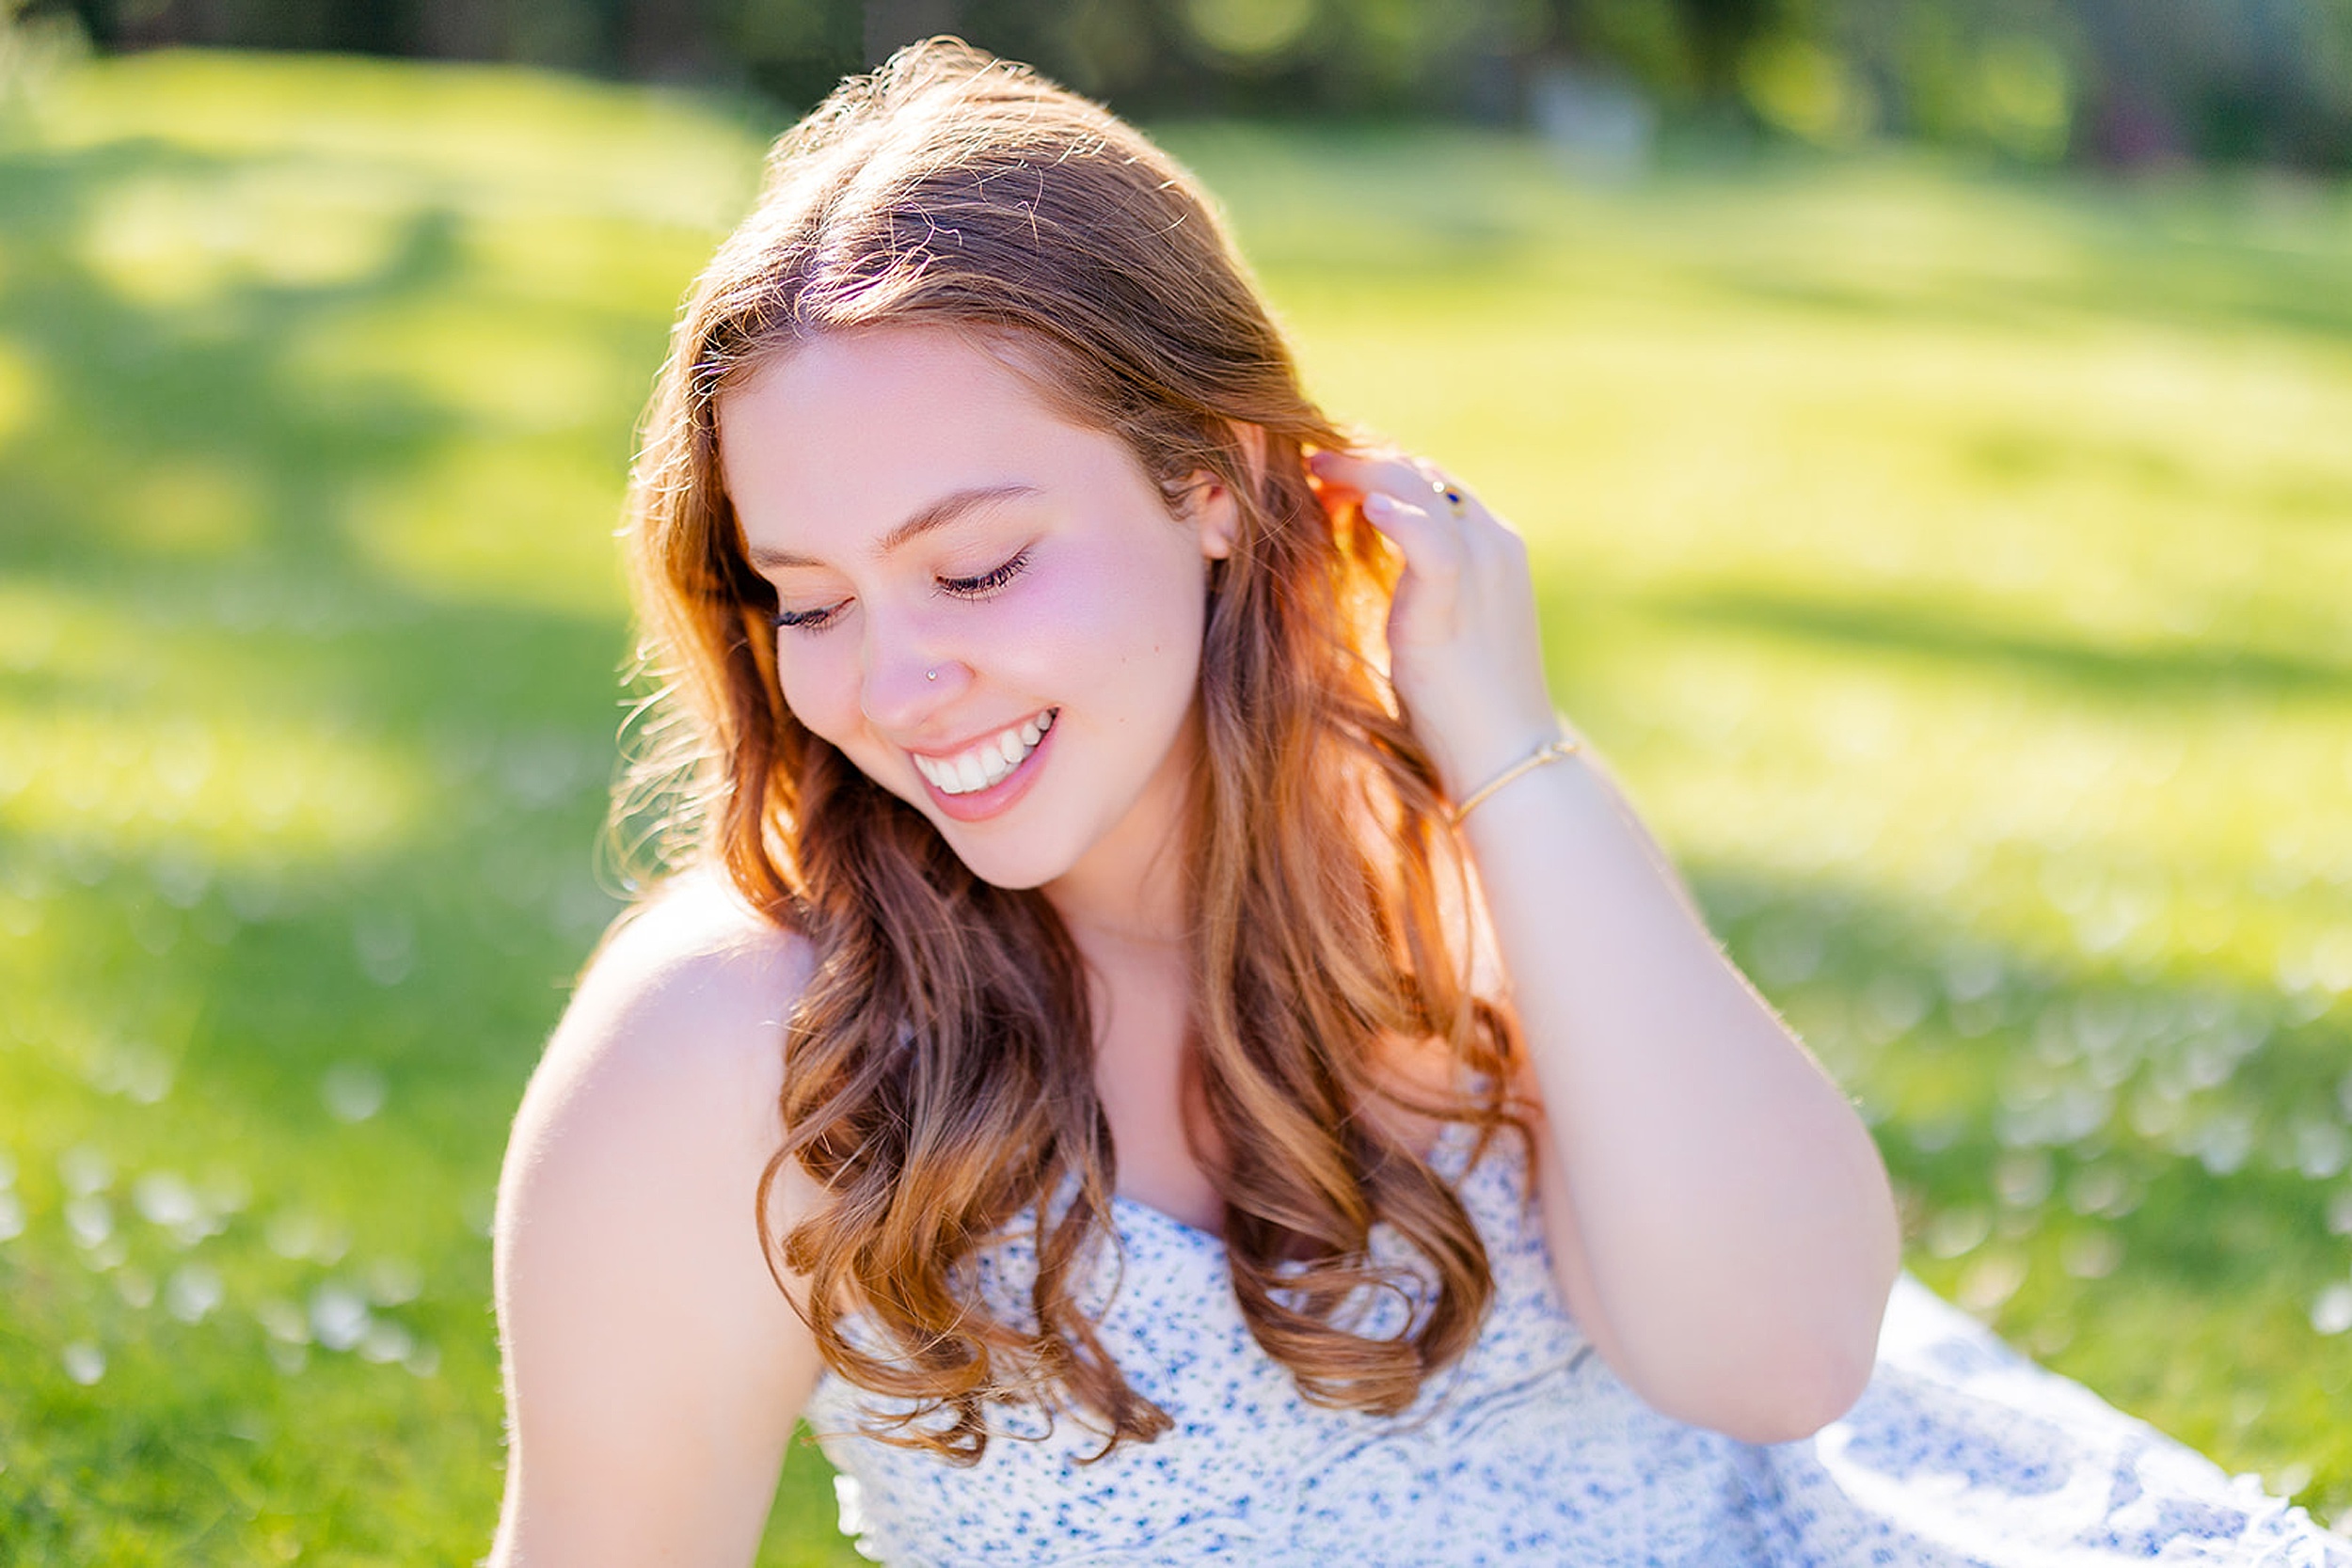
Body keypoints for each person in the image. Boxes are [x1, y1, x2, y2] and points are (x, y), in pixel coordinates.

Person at [486, 40, 2348, 1568]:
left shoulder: (1443, 858)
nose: (889, 686)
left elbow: (1779, 1362)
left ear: (1208, 484)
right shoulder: (735, 1053)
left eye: (973, 570)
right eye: (805, 600)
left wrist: (1509, 747)